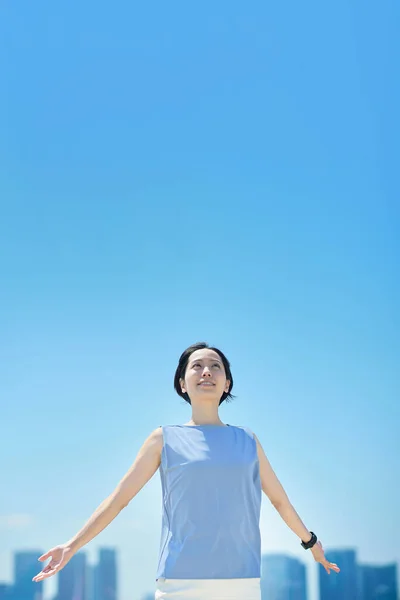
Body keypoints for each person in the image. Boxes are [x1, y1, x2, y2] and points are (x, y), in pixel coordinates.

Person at [33, 342, 340, 599]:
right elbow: (118, 500)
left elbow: (280, 501)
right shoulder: (163, 439)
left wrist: (312, 544)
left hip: (241, 581)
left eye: (215, 366)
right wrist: (72, 545)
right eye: (196, 366)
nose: (206, 371)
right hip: (179, 583)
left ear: (227, 383)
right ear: (182, 383)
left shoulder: (247, 440)